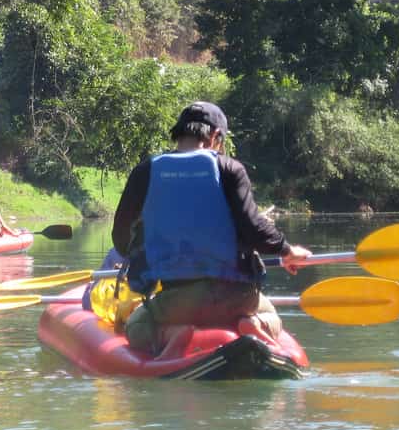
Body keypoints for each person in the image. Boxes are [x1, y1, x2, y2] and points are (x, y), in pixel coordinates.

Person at [112, 102, 312, 355]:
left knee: (137, 324)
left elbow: (121, 237)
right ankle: (253, 324)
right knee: (271, 316)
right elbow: (253, 228)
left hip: (178, 302)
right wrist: (287, 250)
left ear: (179, 132)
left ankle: (172, 333)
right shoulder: (230, 169)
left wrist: (146, 250)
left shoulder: (146, 172)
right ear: (216, 136)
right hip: (237, 300)